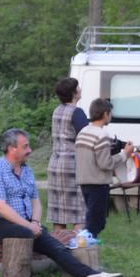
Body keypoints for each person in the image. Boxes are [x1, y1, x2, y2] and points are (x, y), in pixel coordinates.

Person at [0, 128, 123, 277]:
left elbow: (36, 200)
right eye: (25, 146)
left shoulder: (27, 171)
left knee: (55, 246)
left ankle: (89, 275)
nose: (30, 150)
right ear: (12, 148)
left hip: (27, 223)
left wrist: (35, 222)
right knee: (25, 233)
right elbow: (0, 207)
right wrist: (29, 226)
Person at [75, 98, 135, 241]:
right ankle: (84, 245)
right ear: (105, 114)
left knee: (92, 217)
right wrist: (124, 154)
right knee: (97, 221)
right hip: (98, 183)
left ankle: (87, 242)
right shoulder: (101, 135)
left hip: (84, 181)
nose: (111, 116)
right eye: (110, 113)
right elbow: (106, 164)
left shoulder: (83, 131)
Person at [47, 77, 89, 231]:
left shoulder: (57, 110)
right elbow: (87, 136)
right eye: (78, 87)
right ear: (74, 92)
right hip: (72, 164)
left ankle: (59, 247)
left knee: (60, 212)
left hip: (55, 163)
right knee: (79, 211)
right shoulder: (77, 112)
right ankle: (78, 248)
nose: (80, 89)